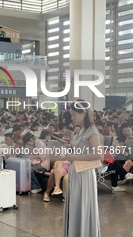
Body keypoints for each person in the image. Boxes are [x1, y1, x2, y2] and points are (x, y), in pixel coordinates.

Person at [63, 100, 102, 237]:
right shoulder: (79, 131)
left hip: (84, 174)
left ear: (83, 113)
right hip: (75, 171)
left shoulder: (92, 131)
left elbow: (99, 155)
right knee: (76, 205)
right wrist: (69, 148)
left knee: (82, 205)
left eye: (74, 115)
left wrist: (75, 157)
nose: (72, 118)